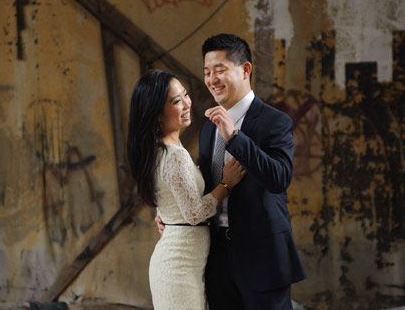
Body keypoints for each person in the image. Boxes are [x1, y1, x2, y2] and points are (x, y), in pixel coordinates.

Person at [158, 33, 305, 309]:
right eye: (207, 72)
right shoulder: (207, 128)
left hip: (263, 258)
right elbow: (202, 184)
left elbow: (279, 178)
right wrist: (170, 212)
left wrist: (235, 137)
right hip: (217, 257)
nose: (212, 79)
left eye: (220, 70)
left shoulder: (275, 122)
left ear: (245, 69)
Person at [128, 69, 246, 310]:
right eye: (176, 101)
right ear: (157, 115)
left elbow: (169, 199)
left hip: (182, 264)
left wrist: (165, 218)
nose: (186, 103)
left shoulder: (161, 150)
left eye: (185, 95)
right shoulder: (175, 156)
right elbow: (194, 213)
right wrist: (226, 184)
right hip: (178, 267)